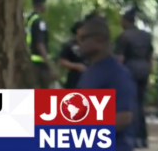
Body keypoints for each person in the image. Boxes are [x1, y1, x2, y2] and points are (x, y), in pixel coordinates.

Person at [77, 18, 136, 151]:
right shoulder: (89, 71)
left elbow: (123, 117)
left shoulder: (118, 73)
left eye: (83, 39)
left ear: (98, 39)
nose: (78, 43)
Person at [115, 8, 153, 149]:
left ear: (126, 21)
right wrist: (149, 73)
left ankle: (133, 137)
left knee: (130, 104)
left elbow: (120, 58)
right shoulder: (146, 36)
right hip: (144, 70)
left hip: (130, 70)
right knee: (140, 103)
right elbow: (150, 57)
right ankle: (142, 138)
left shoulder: (123, 37)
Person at [25, 0, 57, 88]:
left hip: (29, 60)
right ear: (40, 5)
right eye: (45, 4)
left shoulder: (30, 19)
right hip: (40, 65)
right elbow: (40, 44)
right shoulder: (40, 22)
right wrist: (51, 66)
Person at [57, 20, 86, 89]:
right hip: (74, 82)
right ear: (77, 30)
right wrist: (77, 66)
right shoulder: (69, 45)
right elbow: (61, 61)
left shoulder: (89, 45)